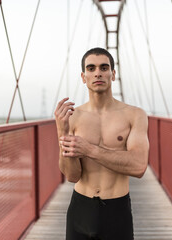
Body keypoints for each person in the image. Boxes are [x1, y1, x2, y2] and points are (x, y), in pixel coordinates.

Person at [54, 47, 149, 240]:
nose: (98, 72)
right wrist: (61, 132)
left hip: (117, 209)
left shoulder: (134, 115)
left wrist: (89, 149)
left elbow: (139, 167)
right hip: (80, 208)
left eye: (104, 67)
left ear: (113, 74)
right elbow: (72, 176)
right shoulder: (73, 117)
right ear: (83, 76)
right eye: (91, 68)